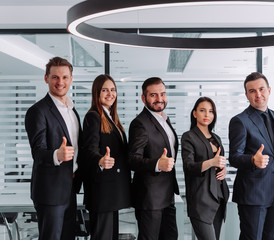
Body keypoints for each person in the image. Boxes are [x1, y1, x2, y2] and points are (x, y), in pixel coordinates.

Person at [25, 57, 82, 240]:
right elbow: (38, 152)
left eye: (65, 77)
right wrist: (57, 155)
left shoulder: (72, 111)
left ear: (71, 79)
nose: (60, 82)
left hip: (69, 189)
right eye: (55, 77)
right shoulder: (38, 111)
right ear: (46, 78)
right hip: (50, 192)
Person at [228, 72, 274, 240]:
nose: (258, 94)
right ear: (246, 95)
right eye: (252, 91)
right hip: (253, 194)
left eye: (261, 89)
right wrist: (252, 160)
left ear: (269, 90)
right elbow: (233, 157)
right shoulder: (240, 121)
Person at [128, 77, 179, 240]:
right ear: (143, 98)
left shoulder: (164, 119)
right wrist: (157, 163)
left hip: (167, 195)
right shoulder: (140, 123)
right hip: (150, 199)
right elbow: (133, 159)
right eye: (153, 95)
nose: (159, 99)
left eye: (162, 94)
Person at [82, 74, 132, 240]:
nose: (110, 94)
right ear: (97, 93)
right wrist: (100, 160)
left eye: (113, 90)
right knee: (103, 236)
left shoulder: (110, 117)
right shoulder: (93, 116)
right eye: (105, 90)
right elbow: (89, 149)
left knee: (111, 236)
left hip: (112, 190)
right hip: (102, 191)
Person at [181, 97, 229, 240]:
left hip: (218, 197)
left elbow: (219, 163)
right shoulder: (188, 137)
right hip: (201, 200)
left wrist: (223, 169)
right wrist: (211, 162)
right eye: (202, 110)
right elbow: (189, 167)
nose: (207, 115)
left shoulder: (216, 138)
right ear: (195, 113)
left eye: (211, 111)